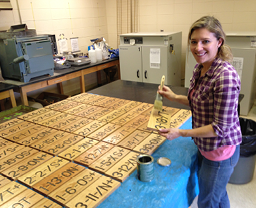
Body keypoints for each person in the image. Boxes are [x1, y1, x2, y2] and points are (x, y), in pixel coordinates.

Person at [158, 16, 242, 208]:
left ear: (219, 42)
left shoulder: (225, 77)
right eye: (194, 42)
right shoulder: (200, 68)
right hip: (206, 146)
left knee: (207, 201)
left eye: (206, 41)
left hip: (220, 151)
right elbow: (198, 100)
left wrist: (180, 132)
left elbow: (219, 128)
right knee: (217, 195)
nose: (198, 47)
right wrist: (174, 97)